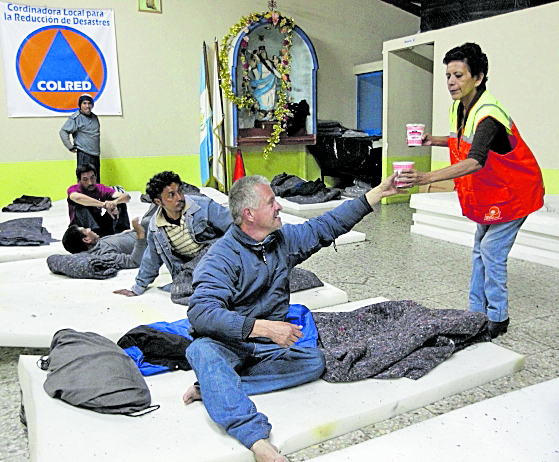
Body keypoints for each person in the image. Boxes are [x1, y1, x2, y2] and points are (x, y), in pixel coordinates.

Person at [183, 174, 402, 462]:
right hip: (230, 345)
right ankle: (255, 439)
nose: (279, 207)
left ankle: (214, 388)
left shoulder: (280, 241)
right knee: (201, 350)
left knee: (315, 361)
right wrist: (260, 327)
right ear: (249, 214)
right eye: (271, 202)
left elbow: (325, 226)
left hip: (268, 348)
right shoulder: (221, 257)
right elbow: (200, 312)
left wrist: (376, 194)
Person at [398, 42, 545, 339]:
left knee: (491, 249)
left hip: (514, 191)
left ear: (477, 78)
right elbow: (463, 142)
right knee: (481, 247)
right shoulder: (460, 107)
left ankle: (497, 318)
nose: (451, 82)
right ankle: (476, 311)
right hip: (491, 192)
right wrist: (431, 141)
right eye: (448, 76)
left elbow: (475, 160)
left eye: (459, 75)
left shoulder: (488, 114)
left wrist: (425, 176)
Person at [113, 171, 232, 297]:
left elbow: (234, 227)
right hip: (190, 268)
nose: (179, 198)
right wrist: (138, 287)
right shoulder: (156, 229)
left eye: (180, 191)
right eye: (171, 195)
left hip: (217, 257)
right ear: (158, 202)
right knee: (181, 292)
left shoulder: (202, 206)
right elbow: (151, 259)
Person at [68, 164, 131, 238]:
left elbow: (126, 197)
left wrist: (113, 203)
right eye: (85, 179)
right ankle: (95, 235)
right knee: (80, 206)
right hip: (83, 228)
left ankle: (121, 232)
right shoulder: (74, 189)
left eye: (92, 178)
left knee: (120, 202)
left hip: (99, 223)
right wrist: (103, 205)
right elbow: (76, 198)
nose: (90, 182)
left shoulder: (100, 188)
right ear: (79, 180)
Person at [62, 216, 148, 270]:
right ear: (87, 240)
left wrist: (127, 232)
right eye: (85, 230)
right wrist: (140, 235)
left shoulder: (98, 243)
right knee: (147, 220)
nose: (89, 229)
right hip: (151, 238)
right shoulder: (104, 254)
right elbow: (133, 262)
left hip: (143, 232)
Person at [60, 94, 102, 182]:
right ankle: (82, 196)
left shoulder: (94, 117)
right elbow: (63, 131)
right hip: (84, 154)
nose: (87, 106)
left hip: (95, 154)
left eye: (89, 103)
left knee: (95, 179)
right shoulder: (76, 118)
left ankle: (96, 196)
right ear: (80, 105)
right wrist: (70, 146)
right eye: (84, 103)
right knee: (85, 181)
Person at [249, 46, 281, 121]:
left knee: (271, 97)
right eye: (262, 52)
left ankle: (270, 113)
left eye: (264, 52)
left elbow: (273, 70)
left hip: (271, 82)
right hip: (263, 83)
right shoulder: (259, 64)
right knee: (264, 97)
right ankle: (263, 113)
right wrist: (254, 68)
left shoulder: (269, 62)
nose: (264, 54)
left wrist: (281, 76)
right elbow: (257, 77)